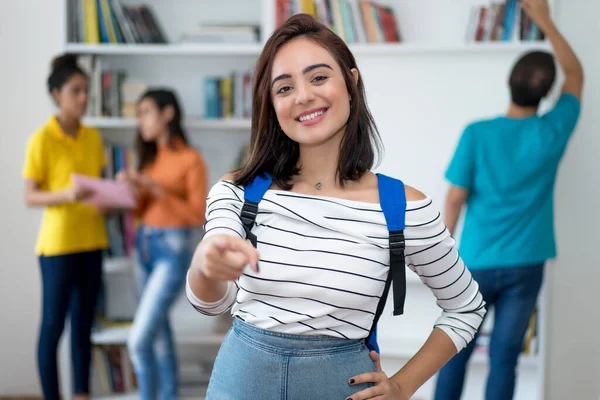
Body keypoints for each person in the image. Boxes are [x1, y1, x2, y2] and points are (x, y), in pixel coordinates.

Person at [186, 14, 486, 400]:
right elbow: (211, 303)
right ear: (271, 104)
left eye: (318, 77)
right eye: (284, 87)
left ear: (351, 82)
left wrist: (403, 386)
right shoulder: (238, 192)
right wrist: (205, 266)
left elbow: (466, 308)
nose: (303, 96)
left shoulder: (404, 208)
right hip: (239, 384)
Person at [434, 1, 584, 399]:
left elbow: (454, 199)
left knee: (453, 352)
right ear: (547, 93)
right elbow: (576, 73)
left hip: (476, 262)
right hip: (526, 264)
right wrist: (545, 21)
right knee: (505, 358)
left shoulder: (477, 134)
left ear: (508, 83)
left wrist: (441, 254)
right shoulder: (553, 130)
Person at [23, 54, 108, 400]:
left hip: (93, 241)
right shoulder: (42, 139)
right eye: (76, 91)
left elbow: (99, 189)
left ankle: (81, 395)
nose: (84, 98)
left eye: (86, 90)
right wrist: (66, 194)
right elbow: (30, 196)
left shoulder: (93, 138)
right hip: (57, 246)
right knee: (53, 327)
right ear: (57, 94)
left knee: (83, 328)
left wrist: (111, 196)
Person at [117, 89, 208, 400]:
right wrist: (132, 190)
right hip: (143, 245)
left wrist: (157, 190)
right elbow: (141, 212)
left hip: (173, 250)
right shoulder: (150, 159)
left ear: (167, 113)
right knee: (157, 334)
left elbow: (197, 213)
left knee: (139, 340)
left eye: (145, 112)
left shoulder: (191, 159)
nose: (140, 120)